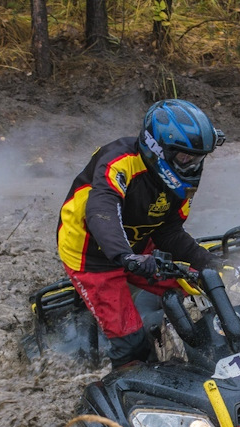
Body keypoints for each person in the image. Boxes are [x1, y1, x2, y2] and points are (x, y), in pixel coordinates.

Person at [56, 99, 226, 367]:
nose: (192, 165)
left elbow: (168, 232)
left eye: (197, 158)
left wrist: (208, 262)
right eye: (185, 157)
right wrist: (126, 256)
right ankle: (124, 381)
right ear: (158, 149)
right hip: (91, 253)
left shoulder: (179, 182)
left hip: (137, 243)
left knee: (203, 290)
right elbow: (102, 212)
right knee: (131, 343)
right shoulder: (119, 163)